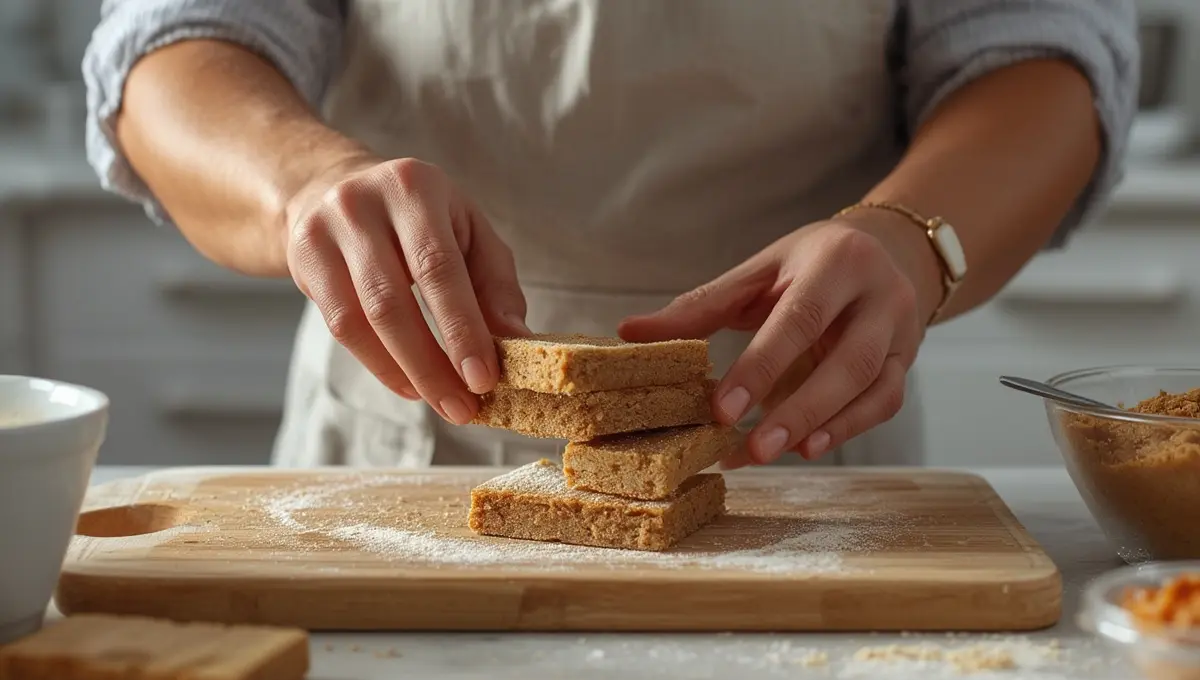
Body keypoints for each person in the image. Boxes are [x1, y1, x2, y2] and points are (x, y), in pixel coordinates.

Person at [83, 1, 1139, 470]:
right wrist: (308, 182)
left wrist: (911, 234)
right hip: (396, 444)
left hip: (801, 437)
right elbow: (168, 47)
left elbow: (1039, 53)